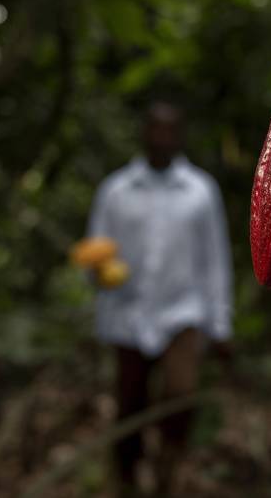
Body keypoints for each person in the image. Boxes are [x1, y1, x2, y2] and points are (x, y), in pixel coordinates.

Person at [86, 102, 233, 496]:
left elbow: (215, 259)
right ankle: (127, 481)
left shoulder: (201, 191)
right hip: (127, 316)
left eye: (171, 131)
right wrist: (101, 272)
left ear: (180, 136)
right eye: (156, 130)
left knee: (179, 404)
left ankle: (168, 477)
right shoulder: (115, 191)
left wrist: (220, 325)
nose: (163, 138)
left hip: (182, 315)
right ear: (145, 133)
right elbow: (96, 254)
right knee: (129, 406)